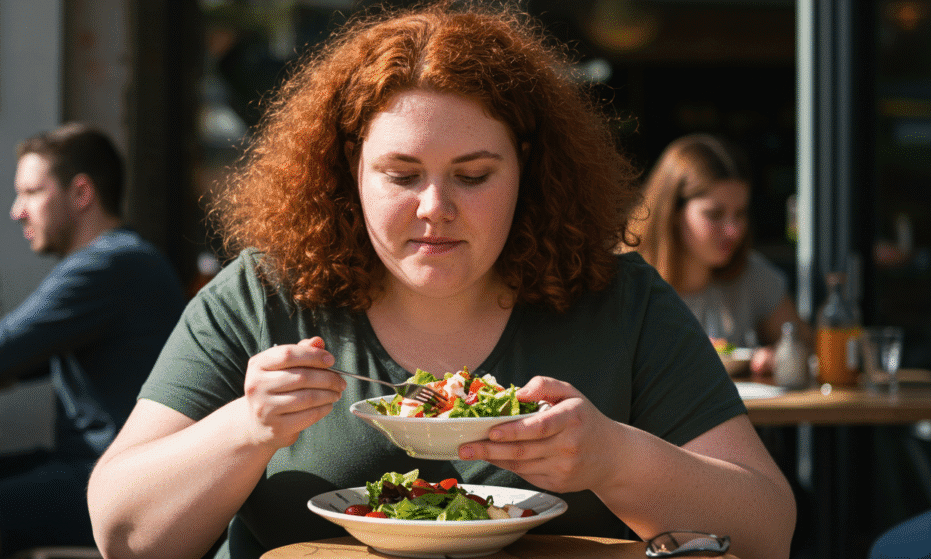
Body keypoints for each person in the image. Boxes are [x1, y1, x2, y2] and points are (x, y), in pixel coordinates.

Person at [87, 4, 795, 559]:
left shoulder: (620, 300)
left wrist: (614, 457)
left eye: (474, 175)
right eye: (400, 175)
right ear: (348, 174)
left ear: (528, 170)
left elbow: (767, 532)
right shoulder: (264, 295)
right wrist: (247, 427)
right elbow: (123, 532)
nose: (435, 207)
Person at [0, 123, 186, 558]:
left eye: (32, 192)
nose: (17, 211)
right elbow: (16, 356)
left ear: (80, 194)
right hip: (92, 466)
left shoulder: (107, 265)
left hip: (114, 480)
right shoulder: (123, 261)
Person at [627, 133, 811, 375]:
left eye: (740, 214)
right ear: (672, 213)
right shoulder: (626, 280)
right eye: (715, 215)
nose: (733, 231)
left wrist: (784, 355)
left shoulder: (751, 274)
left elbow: (809, 346)